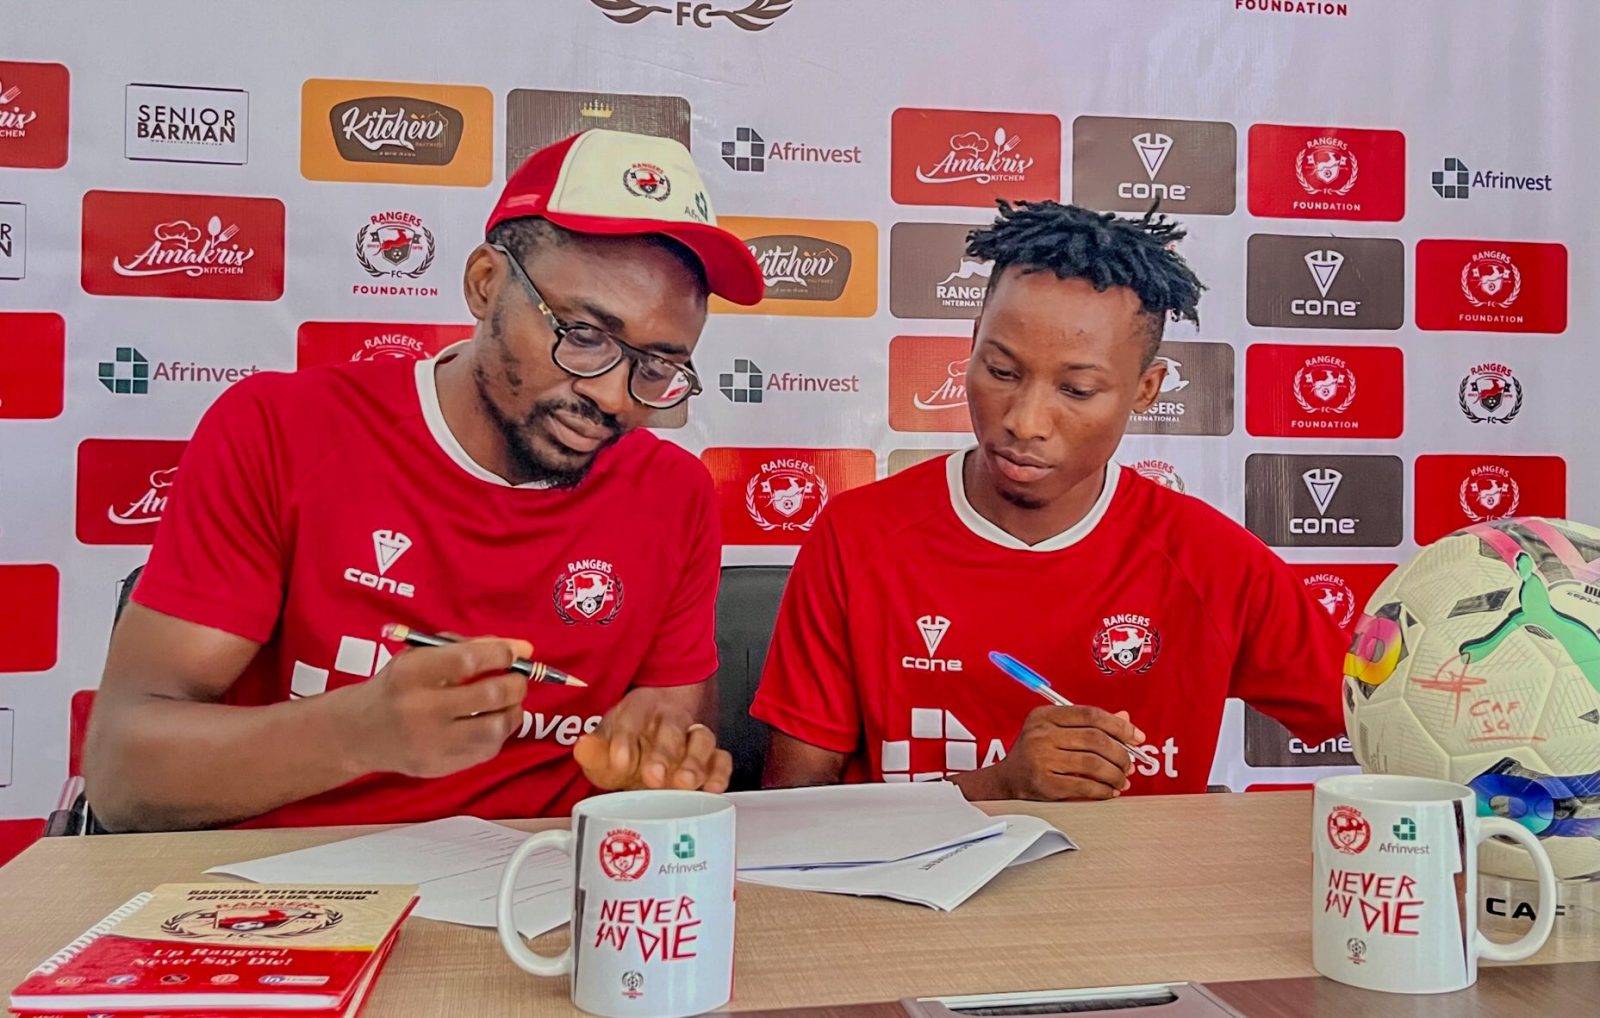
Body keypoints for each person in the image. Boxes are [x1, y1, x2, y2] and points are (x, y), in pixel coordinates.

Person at [83, 129, 765, 831]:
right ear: (485, 283)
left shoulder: (674, 492)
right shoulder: (281, 430)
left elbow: (668, 725)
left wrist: (653, 757)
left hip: (545, 881)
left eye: (657, 366)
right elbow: (123, 779)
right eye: (584, 336)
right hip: (294, 881)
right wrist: (357, 733)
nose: (615, 397)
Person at [751, 201, 1346, 801]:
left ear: (1146, 390)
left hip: (1144, 870)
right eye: (1001, 371)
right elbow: (793, 811)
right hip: (908, 870)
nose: (1025, 421)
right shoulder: (857, 536)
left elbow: (1377, 711)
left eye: (1077, 389)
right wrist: (995, 786)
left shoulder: (1211, 560)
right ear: (973, 343)